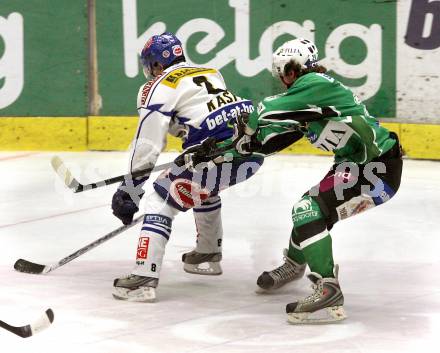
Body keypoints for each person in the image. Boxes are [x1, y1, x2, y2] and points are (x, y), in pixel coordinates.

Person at [231, 38, 403, 323]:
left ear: (290, 69)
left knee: (307, 209)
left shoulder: (314, 84)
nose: (281, 79)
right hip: (357, 166)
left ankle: (328, 289)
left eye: (282, 73)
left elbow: (264, 110)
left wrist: (247, 131)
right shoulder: (311, 93)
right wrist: (246, 146)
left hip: (375, 169)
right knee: (311, 209)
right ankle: (295, 264)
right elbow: (279, 135)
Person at [111, 32, 263, 302]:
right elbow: (206, 114)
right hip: (250, 153)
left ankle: (144, 276)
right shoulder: (210, 71)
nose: (149, 71)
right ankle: (207, 253)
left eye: (149, 65)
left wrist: (132, 187)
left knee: (160, 199)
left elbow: (148, 140)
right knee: (202, 186)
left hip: (216, 156)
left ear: (156, 64)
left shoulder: (156, 86)